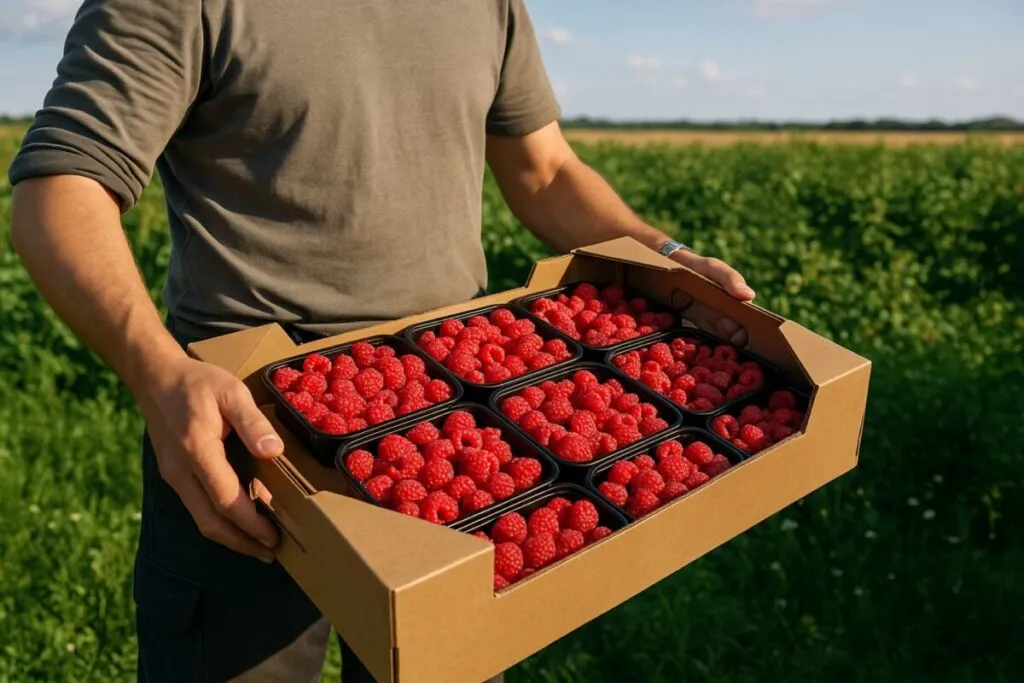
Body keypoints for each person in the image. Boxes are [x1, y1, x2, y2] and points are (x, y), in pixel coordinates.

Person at [7, 1, 755, 681]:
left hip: (466, 415)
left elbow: (546, 170)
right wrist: (157, 372)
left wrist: (664, 254)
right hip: (251, 429)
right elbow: (61, 188)